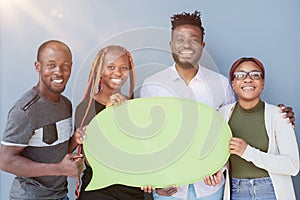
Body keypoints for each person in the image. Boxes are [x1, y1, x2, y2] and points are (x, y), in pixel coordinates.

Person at [140, 11, 295, 200]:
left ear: (202, 45)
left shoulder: (220, 84)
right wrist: (154, 179)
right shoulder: (152, 85)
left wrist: (278, 116)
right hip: (169, 189)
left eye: (193, 39)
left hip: (210, 189)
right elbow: (147, 139)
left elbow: (231, 129)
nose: (187, 45)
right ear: (171, 45)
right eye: (180, 40)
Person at [0, 40, 84, 200]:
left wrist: (75, 140)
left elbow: (56, 151)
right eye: (51, 65)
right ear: (38, 66)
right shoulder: (26, 110)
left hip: (60, 196)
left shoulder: (66, 104)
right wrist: (59, 169)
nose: (59, 72)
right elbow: (5, 161)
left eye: (65, 65)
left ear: (71, 66)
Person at [70, 45, 153, 200]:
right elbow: (92, 159)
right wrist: (109, 113)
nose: (118, 72)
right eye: (111, 67)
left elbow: (141, 151)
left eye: (123, 68)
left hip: (132, 187)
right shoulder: (86, 107)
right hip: (100, 186)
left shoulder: (135, 107)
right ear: (100, 70)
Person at [218, 57, 299, 200]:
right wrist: (217, 171)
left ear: (263, 83)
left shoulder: (280, 116)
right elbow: (220, 156)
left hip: (270, 191)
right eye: (240, 75)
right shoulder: (222, 114)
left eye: (255, 74)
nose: (248, 79)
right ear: (233, 84)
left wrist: (248, 152)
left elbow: (293, 166)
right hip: (236, 191)